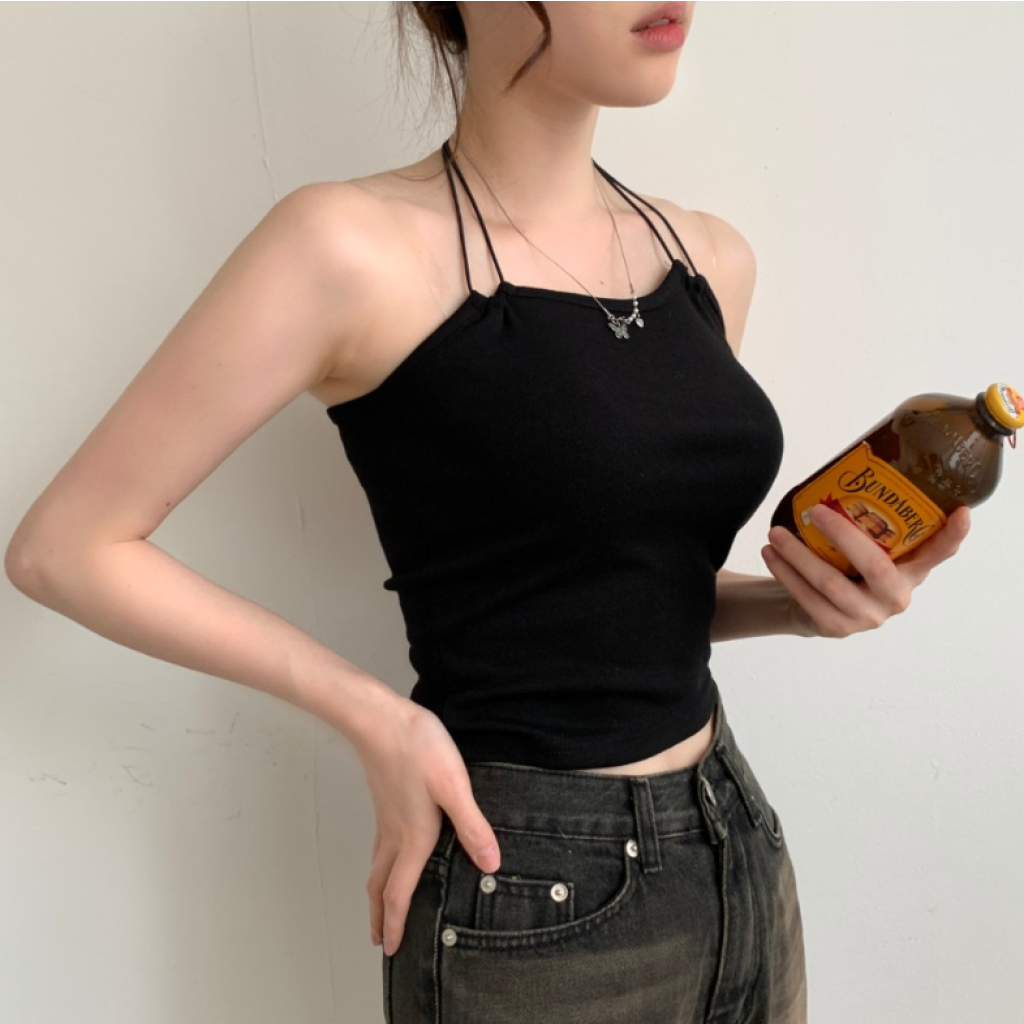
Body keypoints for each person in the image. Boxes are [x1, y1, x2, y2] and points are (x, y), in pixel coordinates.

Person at [4, 3, 971, 1022]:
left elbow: (622, 589)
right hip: (530, 886)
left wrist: (797, 606)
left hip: (736, 840)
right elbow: (65, 548)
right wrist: (376, 716)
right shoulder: (347, 247)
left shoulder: (709, 258)